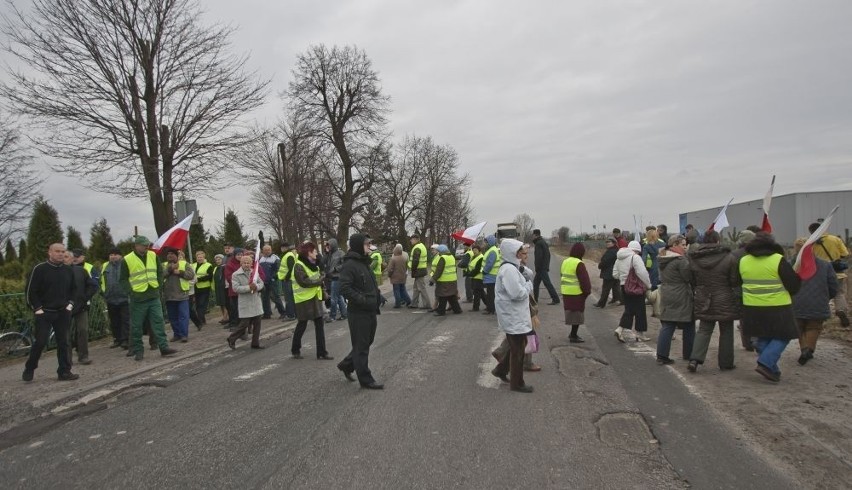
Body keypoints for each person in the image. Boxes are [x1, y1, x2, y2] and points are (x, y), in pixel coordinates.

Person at [739, 232, 801, 382]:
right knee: (784, 335)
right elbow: (793, 285)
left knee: (764, 335)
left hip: (752, 306)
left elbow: (736, 281)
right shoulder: (777, 260)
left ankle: (772, 370)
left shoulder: (744, 260)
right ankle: (766, 362)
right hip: (777, 306)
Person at [23, 243, 79, 382]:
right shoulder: (40, 269)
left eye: (63, 251)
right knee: (40, 342)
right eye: (57, 251)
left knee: (64, 342)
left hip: (63, 312)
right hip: (45, 312)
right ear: (50, 252)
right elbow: (31, 291)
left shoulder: (68, 270)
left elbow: (74, 289)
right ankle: (30, 367)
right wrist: (37, 309)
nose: (60, 254)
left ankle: (64, 371)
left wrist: (70, 305)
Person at [686, 230, 738, 373]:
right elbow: (734, 280)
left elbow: (692, 279)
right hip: (724, 295)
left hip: (704, 296)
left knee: (704, 329)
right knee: (726, 330)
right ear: (717, 241)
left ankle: (694, 359)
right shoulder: (729, 257)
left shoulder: (694, 258)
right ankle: (726, 363)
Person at [120, 236, 178, 361]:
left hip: (153, 295)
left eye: (147, 245)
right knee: (137, 326)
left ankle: (164, 347)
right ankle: (138, 351)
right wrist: (131, 292)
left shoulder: (153, 256)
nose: (146, 247)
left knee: (158, 322)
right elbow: (123, 279)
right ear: (136, 245)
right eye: (143, 245)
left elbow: (159, 272)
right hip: (138, 297)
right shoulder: (127, 259)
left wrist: (158, 285)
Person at [337, 233, 383, 389]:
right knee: (361, 346)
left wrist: (378, 295)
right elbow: (344, 288)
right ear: (358, 245)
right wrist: (362, 300)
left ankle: (347, 364)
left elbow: (368, 283)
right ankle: (366, 379)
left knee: (366, 342)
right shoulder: (349, 264)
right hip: (358, 312)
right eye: (366, 244)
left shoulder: (363, 262)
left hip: (370, 309)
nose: (369, 247)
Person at [490, 238, 536, 393]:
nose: (522, 254)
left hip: (514, 315)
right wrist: (528, 286)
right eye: (519, 251)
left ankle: (501, 370)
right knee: (518, 351)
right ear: (512, 252)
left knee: (516, 346)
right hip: (513, 315)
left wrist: (525, 283)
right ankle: (517, 384)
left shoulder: (511, 268)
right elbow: (516, 293)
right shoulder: (509, 270)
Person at [791, 238, 838, 365]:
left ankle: (804, 348)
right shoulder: (825, 265)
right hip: (818, 302)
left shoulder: (792, 266)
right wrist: (826, 296)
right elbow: (833, 285)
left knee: (799, 327)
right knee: (814, 327)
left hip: (796, 302)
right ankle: (809, 350)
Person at [656, 235, 696, 364]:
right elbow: (688, 277)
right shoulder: (680, 260)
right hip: (681, 294)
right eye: (683, 244)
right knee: (689, 324)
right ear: (674, 245)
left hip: (667, 292)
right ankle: (689, 354)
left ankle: (661, 355)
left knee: (668, 325)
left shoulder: (663, 258)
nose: (685, 247)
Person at [290, 241, 333, 360]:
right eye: (314, 251)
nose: (316, 253)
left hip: (314, 297)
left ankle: (322, 352)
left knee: (320, 324)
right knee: (302, 324)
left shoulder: (314, 264)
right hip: (303, 299)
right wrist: (320, 281)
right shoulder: (298, 265)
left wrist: (323, 274)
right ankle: (295, 349)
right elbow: (304, 281)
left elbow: (319, 274)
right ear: (308, 253)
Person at [807, 222, 849, 327]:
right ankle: (841, 310)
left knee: (822, 294)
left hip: (820, 273)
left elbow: (809, 258)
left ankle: (822, 315)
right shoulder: (835, 239)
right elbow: (845, 254)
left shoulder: (810, 243)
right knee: (839, 293)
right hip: (837, 272)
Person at [612, 241, 651, 342]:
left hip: (624, 287)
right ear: (638, 250)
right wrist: (648, 285)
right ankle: (639, 333)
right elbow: (642, 272)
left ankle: (621, 329)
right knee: (640, 310)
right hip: (636, 287)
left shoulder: (619, 258)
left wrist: (624, 278)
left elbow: (615, 274)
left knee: (629, 309)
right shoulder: (635, 257)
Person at [227, 255, 265, 350]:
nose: (247, 264)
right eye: (244, 263)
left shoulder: (254, 273)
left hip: (255, 301)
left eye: (248, 263)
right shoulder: (236, 274)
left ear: (251, 263)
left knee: (257, 324)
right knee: (244, 324)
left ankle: (255, 343)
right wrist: (249, 288)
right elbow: (236, 288)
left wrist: (257, 287)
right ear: (241, 263)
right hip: (245, 302)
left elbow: (261, 283)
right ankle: (232, 338)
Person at [67, 250, 98, 365]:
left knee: (83, 330)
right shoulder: (57, 272)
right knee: (66, 333)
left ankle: (83, 355)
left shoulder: (81, 271)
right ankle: (66, 359)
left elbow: (93, 285)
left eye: (68, 257)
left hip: (81, 306)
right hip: (64, 309)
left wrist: (85, 297)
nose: (65, 259)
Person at [161, 247, 195, 342]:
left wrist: (179, 272)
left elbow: (191, 275)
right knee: (172, 318)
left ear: (176, 256)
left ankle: (184, 335)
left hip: (182, 296)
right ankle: (177, 334)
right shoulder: (163, 265)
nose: (170, 255)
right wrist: (170, 269)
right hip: (169, 296)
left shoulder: (184, 264)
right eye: (168, 254)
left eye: (172, 253)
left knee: (183, 317)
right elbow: (160, 275)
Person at [731, 230, 757, 351]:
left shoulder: (734, 254)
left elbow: (733, 275)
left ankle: (747, 343)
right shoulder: (756, 253)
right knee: (756, 315)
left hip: (739, 290)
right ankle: (756, 339)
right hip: (755, 289)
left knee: (744, 317)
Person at [101, 247, 130, 349]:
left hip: (124, 297)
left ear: (120, 256)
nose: (113, 256)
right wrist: (104, 293)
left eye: (115, 254)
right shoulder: (105, 266)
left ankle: (126, 340)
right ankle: (117, 339)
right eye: (111, 255)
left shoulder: (125, 264)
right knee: (114, 321)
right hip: (111, 298)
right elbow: (102, 280)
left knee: (125, 320)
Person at [561, 242, 591, 343]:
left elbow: (562, 275)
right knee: (577, 314)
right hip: (577, 293)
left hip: (566, 292)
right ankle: (573, 335)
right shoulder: (579, 263)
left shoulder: (565, 261)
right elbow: (584, 280)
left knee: (572, 313)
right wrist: (587, 292)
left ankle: (573, 334)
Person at [431, 244, 463, 316]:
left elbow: (439, 270)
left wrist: (432, 280)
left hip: (444, 280)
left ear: (442, 251)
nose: (438, 253)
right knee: (451, 296)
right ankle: (457, 309)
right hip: (452, 280)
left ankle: (441, 311)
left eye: (439, 251)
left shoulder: (442, 258)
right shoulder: (452, 257)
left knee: (442, 296)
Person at [532, 229, 560, 305]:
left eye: (533, 235)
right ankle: (535, 299)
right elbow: (548, 255)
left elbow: (539, 257)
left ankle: (556, 299)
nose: (532, 237)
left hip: (541, 268)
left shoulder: (538, 244)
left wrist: (537, 268)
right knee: (536, 283)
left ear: (535, 235)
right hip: (543, 266)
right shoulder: (543, 242)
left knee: (547, 283)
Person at [258, 245, 286, 320]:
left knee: (275, 297)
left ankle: (283, 312)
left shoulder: (275, 258)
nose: (267, 251)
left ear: (271, 250)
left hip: (273, 281)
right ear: (262, 251)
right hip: (264, 281)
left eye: (268, 250)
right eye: (265, 250)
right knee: (265, 298)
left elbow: (278, 269)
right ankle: (267, 313)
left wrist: (273, 277)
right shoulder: (261, 259)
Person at [594, 237, 621, 308]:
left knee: (606, 289)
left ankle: (601, 303)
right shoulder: (616, 250)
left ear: (614, 243)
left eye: (609, 242)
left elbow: (605, 261)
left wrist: (600, 265)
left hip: (609, 273)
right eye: (606, 242)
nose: (607, 243)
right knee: (615, 287)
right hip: (615, 272)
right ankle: (616, 299)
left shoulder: (611, 251)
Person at [325, 238, 348, 322]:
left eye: (329, 245)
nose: (328, 247)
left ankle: (332, 316)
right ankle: (344, 314)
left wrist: (335, 269)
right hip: (332, 277)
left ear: (333, 245)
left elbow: (345, 264)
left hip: (338, 277)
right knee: (338, 297)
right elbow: (326, 264)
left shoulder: (341, 253)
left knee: (334, 298)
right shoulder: (330, 254)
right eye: (327, 245)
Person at [408, 234, 432, 309]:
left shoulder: (417, 248)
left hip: (418, 270)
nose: (410, 241)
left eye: (411, 239)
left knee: (421, 288)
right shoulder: (421, 246)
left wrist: (413, 270)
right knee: (416, 288)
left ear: (416, 239)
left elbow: (415, 260)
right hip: (421, 269)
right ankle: (414, 303)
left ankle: (427, 304)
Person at [386, 243, 411, 308]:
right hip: (403, 276)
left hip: (395, 277)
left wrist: (389, 275)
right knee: (403, 289)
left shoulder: (393, 259)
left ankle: (398, 303)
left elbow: (390, 269)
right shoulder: (404, 258)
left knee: (396, 290)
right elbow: (406, 267)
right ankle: (408, 300)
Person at [191, 250, 213, 326]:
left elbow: (209, 276)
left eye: (201, 257)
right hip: (195, 288)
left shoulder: (208, 265)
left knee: (202, 304)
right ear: (196, 257)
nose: (199, 258)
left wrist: (199, 279)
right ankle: (202, 320)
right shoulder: (192, 265)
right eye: (198, 257)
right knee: (197, 305)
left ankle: (200, 320)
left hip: (205, 287)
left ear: (204, 257)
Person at [481, 235, 501, 315]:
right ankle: (490, 307)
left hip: (491, 275)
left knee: (491, 294)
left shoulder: (492, 251)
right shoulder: (492, 250)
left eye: (485, 242)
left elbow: (490, 264)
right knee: (490, 293)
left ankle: (491, 309)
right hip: (492, 275)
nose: (484, 243)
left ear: (489, 242)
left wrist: (485, 271)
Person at [277, 242, 297, 320]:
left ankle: (291, 315)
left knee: (289, 299)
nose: (281, 249)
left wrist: (286, 278)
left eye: (282, 247)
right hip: (287, 280)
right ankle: (294, 314)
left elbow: (291, 268)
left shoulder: (288, 256)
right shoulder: (287, 255)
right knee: (290, 298)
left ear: (285, 248)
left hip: (288, 280)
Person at [212, 254, 229, 325]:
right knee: (220, 303)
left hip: (223, 287)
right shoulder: (216, 268)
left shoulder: (225, 267)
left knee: (225, 303)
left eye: (219, 259)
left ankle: (225, 318)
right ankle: (224, 317)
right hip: (217, 287)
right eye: (216, 260)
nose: (218, 261)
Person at [468, 244, 485, 312]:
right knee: (481, 293)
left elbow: (477, 269)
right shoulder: (474, 257)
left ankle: (476, 307)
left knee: (477, 293)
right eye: (473, 250)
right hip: (475, 277)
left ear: (479, 251)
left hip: (478, 277)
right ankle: (489, 305)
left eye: (475, 250)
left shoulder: (481, 257)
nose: (474, 251)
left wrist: (469, 274)